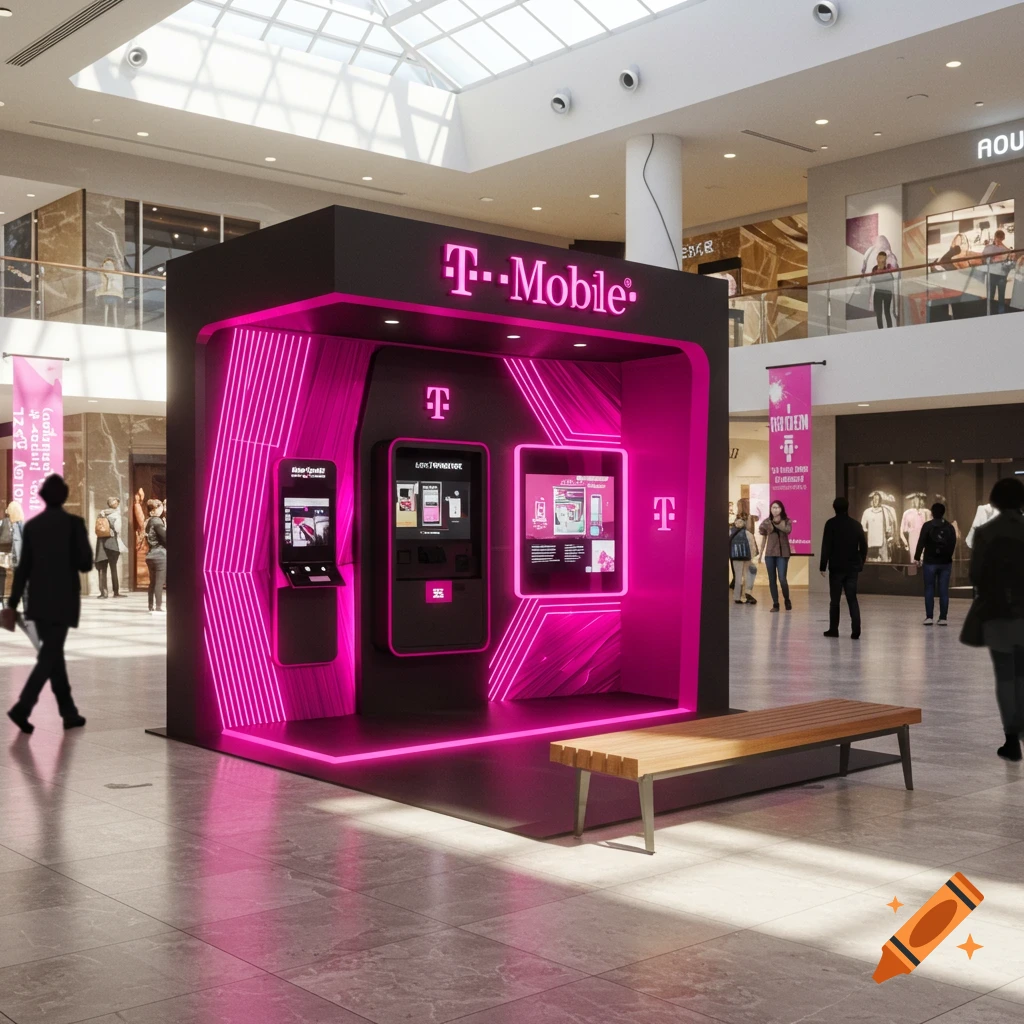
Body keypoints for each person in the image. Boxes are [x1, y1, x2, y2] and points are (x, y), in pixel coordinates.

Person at [5, 475, 93, 734]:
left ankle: (69, 712)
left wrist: (11, 602)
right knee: (50, 655)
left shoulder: (33, 527)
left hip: (39, 600)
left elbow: (23, 570)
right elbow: (85, 563)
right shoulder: (74, 524)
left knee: (54, 655)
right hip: (63, 599)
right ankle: (22, 707)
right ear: (64, 496)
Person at [969, 477, 1024, 761]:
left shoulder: (986, 532)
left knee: (1005, 675)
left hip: (999, 615)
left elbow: (976, 575)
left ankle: (1011, 739)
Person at [820, 496, 868, 639]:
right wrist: (861, 561)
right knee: (852, 598)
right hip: (852, 567)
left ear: (834, 508)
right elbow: (864, 546)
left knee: (835, 600)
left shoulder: (830, 524)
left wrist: (823, 565)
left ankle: (833, 629)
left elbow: (826, 546)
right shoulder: (856, 525)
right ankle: (856, 630)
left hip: (836, 567)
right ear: (848, 508)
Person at [914, 502, 957, 626]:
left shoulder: (927, 526)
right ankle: (943, 618)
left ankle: (929, 617)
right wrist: (947, 556)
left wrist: (917, 557)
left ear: (932, 513)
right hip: (945, 563)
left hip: (930, 562)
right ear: (943, 512)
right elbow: (952, 544)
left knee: (929, 589)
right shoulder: (949, 527)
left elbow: (921, 542)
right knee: (943, 590)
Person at [759, 500, 793, 612]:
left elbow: (787, 530)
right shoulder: (766, 522)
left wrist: (775, 524)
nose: (775, 509)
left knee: (782, 578)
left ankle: (787, 599)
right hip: (770, 554)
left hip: (783, 554)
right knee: (772, 579)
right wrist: (760, 554)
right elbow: (763, 537)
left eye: (778, 507)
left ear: (781, 509)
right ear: (770, 509)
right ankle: (775, 604)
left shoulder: (787, 521)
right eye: (773, 507)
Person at [94, 496, 123, 599]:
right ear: (117, 505)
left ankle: (103, 593)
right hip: (112, 544)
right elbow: (118, 529)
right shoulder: (116, 515)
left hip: (101, 544)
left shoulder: (100, 514)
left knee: (102, 569)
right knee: (113, 568)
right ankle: (116, 592)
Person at [730, 514, 759, 605]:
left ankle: (737, 597)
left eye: (739, 521)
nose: (738, 523)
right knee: (745, 577)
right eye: (737, 521)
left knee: (739, 577)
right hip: (746, 557)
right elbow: (752, 547)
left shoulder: (731, 532)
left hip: (735, 557)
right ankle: (744, 596)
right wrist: (753, 557)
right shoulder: (748, 533)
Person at [981, 229, 1011, 314]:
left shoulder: (988, 248)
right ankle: (999, 313)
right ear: (1003, 238)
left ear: (995, 237)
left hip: (992, 274)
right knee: (1000, 297)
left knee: (991, 296)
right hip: (1000, 275)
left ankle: (990, 313)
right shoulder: (1004, 249)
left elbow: (982, 258)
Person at [145, 499, 167, 614]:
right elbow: (165, 538)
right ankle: (158, 607)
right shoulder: (157, 522)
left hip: (150, 555)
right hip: (160, 555)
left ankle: (150, 605)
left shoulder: (148, 521)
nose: (162, 509)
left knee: (152, 582)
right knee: (159, 582)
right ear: (155, 509)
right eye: (160, 507)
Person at [0, 500, 25, 600]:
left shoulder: (20, 526)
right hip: (16, 563)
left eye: (9, 512)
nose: (7, 514)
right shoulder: (11, 525)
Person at [871, 249, 894, 328]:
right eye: (879, 258)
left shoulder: (888, 268)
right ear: (877, 258)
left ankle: (889, 329)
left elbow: (891, 279)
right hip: (878, 291)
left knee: (887, 312)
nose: (880, 260)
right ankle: (880, 330)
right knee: (878, 313)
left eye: (882, 258)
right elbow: (872, 280)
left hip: (887, 292)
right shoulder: (874, 269)